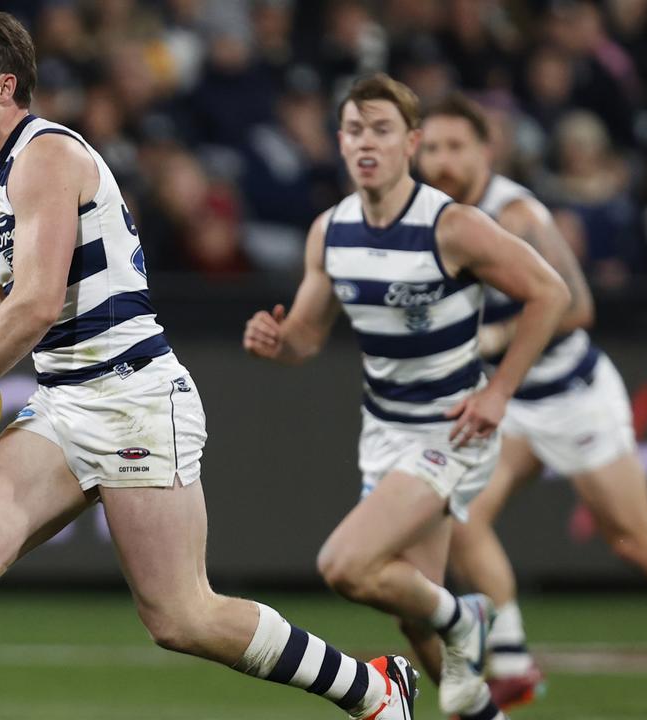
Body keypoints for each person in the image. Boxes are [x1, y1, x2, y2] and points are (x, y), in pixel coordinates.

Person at [0, 12, 417, 720]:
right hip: (66, 404)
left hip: (133, 396)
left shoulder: (44, 155)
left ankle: (373, 690)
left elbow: (38, 304)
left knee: (182, 617)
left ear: (4, 86)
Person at [417, 92, 647, 719]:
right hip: (511, 402)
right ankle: (515, 661)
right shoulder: (435, 217)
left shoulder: (516, 213)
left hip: (570, 394)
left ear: (485, 150)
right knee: (459, 514)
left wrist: (493, 339)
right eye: (433, 148)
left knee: (633, 538)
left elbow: (577, 306)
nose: (443, 160)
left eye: (456, 146)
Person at [242, 74, 570, 720]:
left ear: (411, 142)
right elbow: (308, 337)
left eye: (383, 129)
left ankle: (466, 614)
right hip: (385, 434)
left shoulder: (451, 226)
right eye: (356, 129)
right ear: (339, 142)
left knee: (343, 565)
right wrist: (277, 341)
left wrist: (500, 391)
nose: (368, 142)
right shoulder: (330, 233)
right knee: (411, 620)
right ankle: (476, 690)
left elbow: (551, 292)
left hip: (450, 432)